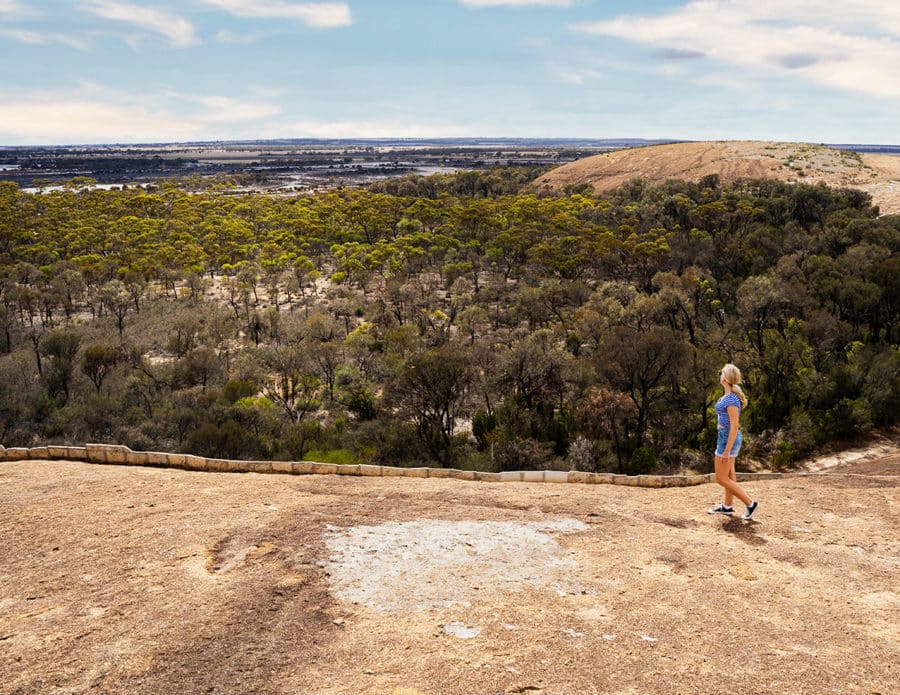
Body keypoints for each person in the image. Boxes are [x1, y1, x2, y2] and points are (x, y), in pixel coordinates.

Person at [707, 363, 759, 520]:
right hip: (725, 437)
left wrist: (727, 449)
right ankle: (727, 506)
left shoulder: (731, 400)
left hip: (727, 439)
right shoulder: (728, 396)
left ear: (725, 378)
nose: (720, 375)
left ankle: (750, 503)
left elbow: (734, 426)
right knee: (729, 475)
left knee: (721, 478)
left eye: (721, 373)